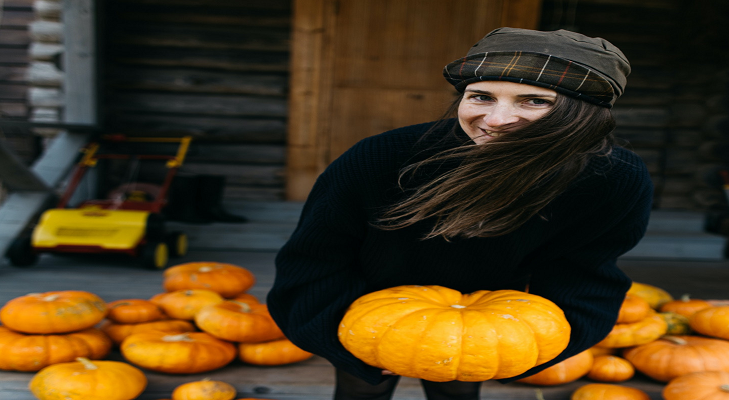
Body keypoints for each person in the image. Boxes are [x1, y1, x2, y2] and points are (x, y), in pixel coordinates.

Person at [267, 27, 653, 400]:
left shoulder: (611, 179)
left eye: (534, 101)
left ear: (585, 113)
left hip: (485, 313)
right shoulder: (382, 158)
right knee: (362, 387)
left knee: (458, 386)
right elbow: (317, 256)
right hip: (368, 305)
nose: (497, 119)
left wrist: (523, 347)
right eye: (481, 96)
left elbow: (583, 273)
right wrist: (336, 331)